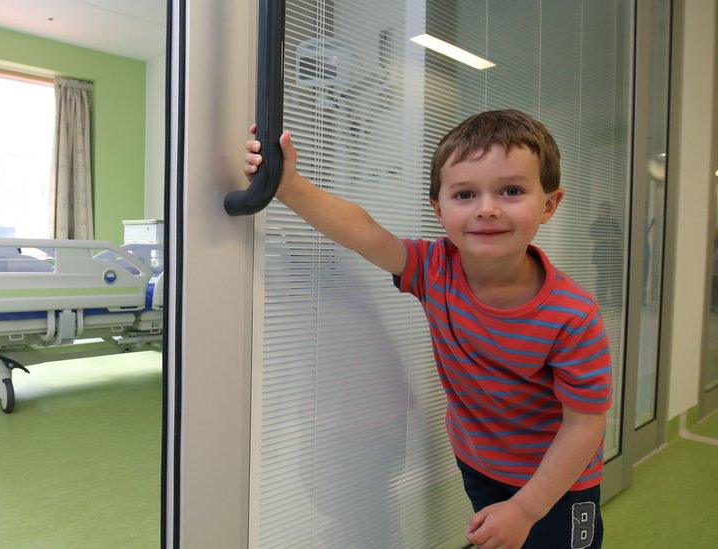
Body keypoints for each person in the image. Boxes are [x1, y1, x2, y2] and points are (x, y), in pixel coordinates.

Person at [243, 109, 611, 549]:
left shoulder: (573, 314)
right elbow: (363, 231)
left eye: (511, 191)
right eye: (465, 195)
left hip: (560, 482)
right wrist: (288, 186)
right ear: (439, 210)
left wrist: (527, 508)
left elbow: (585, 425)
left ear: (549, 204)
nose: (487, 209)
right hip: (481, 464)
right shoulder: (433, 269)